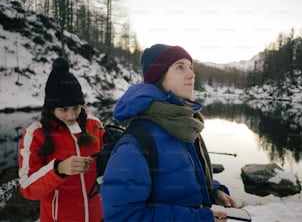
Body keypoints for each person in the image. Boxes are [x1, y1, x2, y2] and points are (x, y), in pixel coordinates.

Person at [101, 44, 237, 221]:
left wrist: (213, 190)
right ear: (159, 77)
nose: (191, 74)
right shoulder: (136, 144)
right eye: (180, 67)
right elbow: (123, 217)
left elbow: (185, 174)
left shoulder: (184, 125)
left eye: (190, 67)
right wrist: (198, 218)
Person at [18, 57, 104, 222]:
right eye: (63, 109)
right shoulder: (35, 134)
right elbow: (27, 188)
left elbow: (107, 169)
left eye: (76, 108)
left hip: (98, 216)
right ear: (51, 108)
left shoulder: (95, 124)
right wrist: (58, 169)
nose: (71, 115)